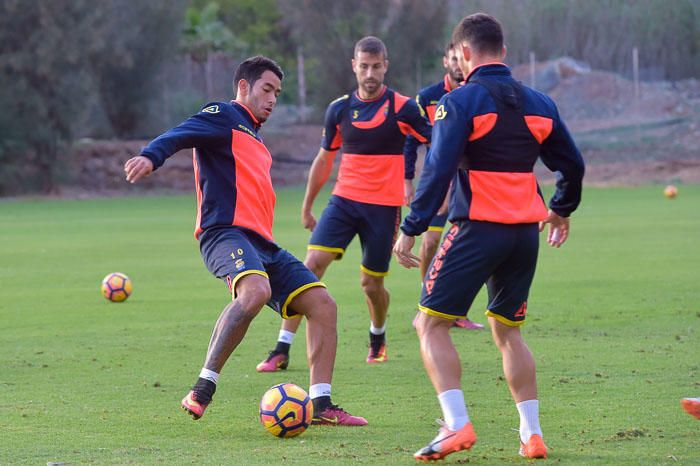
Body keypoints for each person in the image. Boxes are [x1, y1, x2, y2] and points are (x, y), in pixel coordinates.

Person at [123, 56, 367, 426]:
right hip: (223, 233)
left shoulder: (254, 134)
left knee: (323, 304)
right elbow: (181, 133)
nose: (272, 99)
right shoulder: (223, 115)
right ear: (243, 87)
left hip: (262, 243)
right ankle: (202, 388)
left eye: (277, 93)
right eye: (266, 89)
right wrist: (150, 156)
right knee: (255, 292)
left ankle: (322, 407)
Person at [393, 13, 585, 461]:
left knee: (430, 324)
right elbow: (572, 165)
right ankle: (531, 435)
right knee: (508, 332)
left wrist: (411, 227)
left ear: (462, 53)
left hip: (476, 229)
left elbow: (437, 171)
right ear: (505, 51)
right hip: (524, 235)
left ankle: (457, 426)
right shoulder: (540, 102)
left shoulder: (459, 101)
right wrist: (561, 209)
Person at [256, 36, 431, 372]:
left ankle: (377, 335)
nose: (370, 73)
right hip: (343, 202)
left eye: (376, 66)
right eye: (363, 66)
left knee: (371, 284)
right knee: (309, 267)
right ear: (354, 66)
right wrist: (308, 205)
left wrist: (428, 191)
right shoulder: (338, 110)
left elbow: (437, 145)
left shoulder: (404, 108)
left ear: (386, 66)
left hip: (383, 208)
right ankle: (281, 348)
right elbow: (324, 160)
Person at [404, 42, 484, 331]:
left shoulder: (475, 95)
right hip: (438, 182)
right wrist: (407, 180)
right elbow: (412, 141)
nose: (457, 63)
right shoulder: (427, 98)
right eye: (452, 58)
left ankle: (458, 311)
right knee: (429, 243)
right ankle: (429, 304)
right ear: (446, 61)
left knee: (471, 247)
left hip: (469, 184)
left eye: (459, 58)